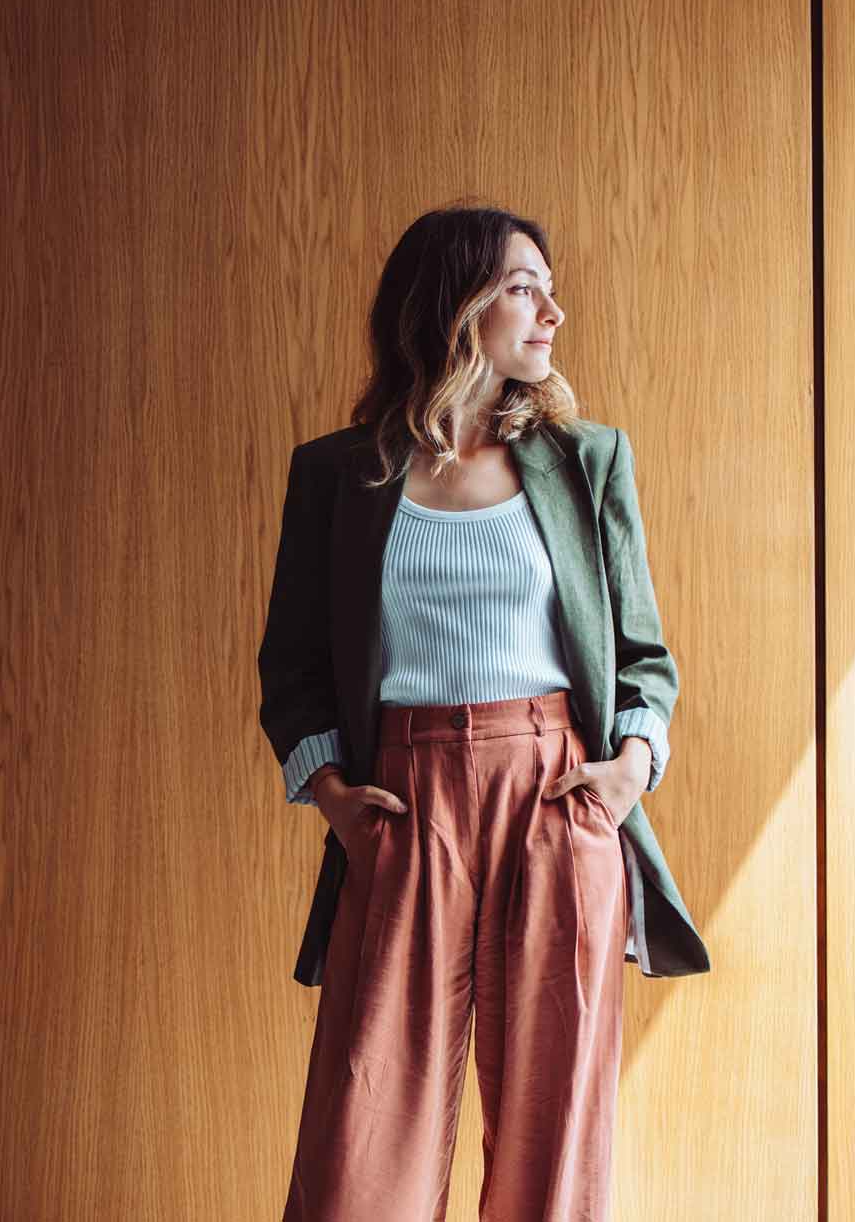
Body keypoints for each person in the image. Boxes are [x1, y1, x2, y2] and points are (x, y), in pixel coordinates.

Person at [256, 204, 709, 1221]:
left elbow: (642, 659)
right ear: (454, 305)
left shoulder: (584, 461)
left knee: (553, 1148)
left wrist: (624, 773)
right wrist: (332, 797)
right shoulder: (336, 473)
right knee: (361, 1144)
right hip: (402, 807)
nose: (552, 308)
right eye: (522, 285)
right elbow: (291, 670)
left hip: (556, 796)